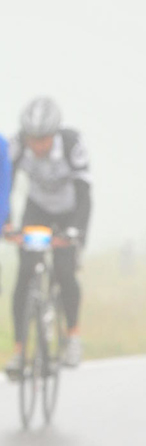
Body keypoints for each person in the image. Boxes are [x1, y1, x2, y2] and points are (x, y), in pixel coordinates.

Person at [4, 97, 92, 373]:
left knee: (65, 273)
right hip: (37, 210)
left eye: (43, 139)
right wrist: (6, 222)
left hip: (69, 212)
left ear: (54, 134)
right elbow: (5, 185)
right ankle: (19, 351)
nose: (37, 145)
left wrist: (76, 231)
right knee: (25, 274)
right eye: (32, 139)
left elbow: (84, 194)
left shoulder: (71, 145)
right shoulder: (16, 146)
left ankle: (74, 336)